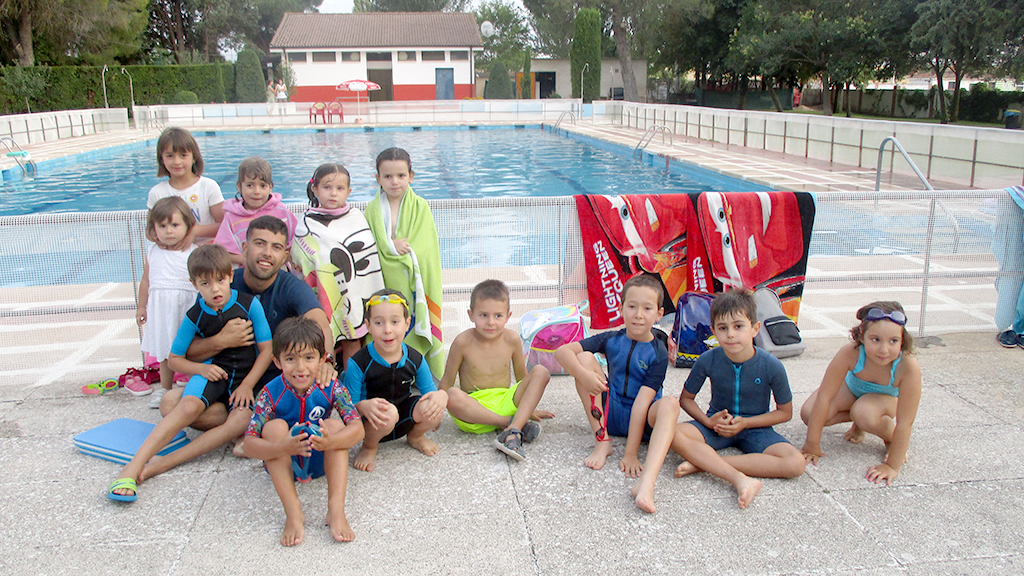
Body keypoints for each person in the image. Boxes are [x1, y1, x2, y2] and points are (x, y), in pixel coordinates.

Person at [108, 244, 274, 502]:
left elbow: (266, 351)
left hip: (244, 380)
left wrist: (247, 385)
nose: (215, 289)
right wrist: (202, 368)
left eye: (220, 280)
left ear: (231, 276)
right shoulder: (194, 315)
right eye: (205, 283)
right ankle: (133, 466)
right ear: (194, 284)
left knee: (241, 421)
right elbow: (175, 360)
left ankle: (164, 463)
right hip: (211, 374)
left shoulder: (249, 304)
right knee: (186, 407)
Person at [157, 216, 334, 447]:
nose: (267, 253)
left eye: (276, 247)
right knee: (169, 404)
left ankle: (245, 421)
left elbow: (320, 323)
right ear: (244, 248)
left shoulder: (291, 287)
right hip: (224, 376)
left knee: (272, 402)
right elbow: (188, 351)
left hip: (267, 380)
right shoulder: (220, 283)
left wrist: (326, 360)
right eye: (260, 243)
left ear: (285, 255)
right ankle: (243, 423)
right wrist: (221, 340)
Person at [555, 274, 680, 513]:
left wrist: (631, 453)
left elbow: (642, 403)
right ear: (621, 308)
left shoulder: (658, 353)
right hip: (610, 414)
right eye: (632, 306)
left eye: (647, 308)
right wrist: (584, 376)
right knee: (583, 358)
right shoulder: (612, 339)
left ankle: (647, 483)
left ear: (659, 314)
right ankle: (602, 442)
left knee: (671, 404)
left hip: (645, 423)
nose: (638, 314)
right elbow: (562, 352)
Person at [673, 289, 806, 509]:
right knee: (671, 432)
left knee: (795, 463)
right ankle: (713, 463)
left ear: (755, 328)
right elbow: (686, 399)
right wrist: (708, 422)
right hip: (716, 426)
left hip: (756, 429)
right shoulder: (707, 359)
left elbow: (785, 412)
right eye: (722, 328)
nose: (730, 335)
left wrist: (746, 422)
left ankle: (707, 463)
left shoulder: (771, 365)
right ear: (713, 331)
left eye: (738, 326)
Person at [244, 317, 364, 546]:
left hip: (320, 459)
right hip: (284, 462)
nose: (300, 368)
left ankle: (336, 510)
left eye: (309, 358)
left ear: (322, 359)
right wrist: (281, 447)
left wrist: (331, 442)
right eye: (290, 359)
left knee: (335, 428)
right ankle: (293, 512)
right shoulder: (269, 393)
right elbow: (249, 444)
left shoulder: (332, 387)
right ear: (277, 361)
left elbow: (358, 430)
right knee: (274, 427)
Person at [800, 301, 921, 485]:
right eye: (876, 339)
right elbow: (825, 396)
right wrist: (812, 443)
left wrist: (892, 466)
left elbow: (906, 422)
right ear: (862, 335)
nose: (884, 349)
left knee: (864, 412)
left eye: (893, 341)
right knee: (809, 414)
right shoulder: (851, 352)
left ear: (902, 340)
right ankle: (858, 420)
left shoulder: (907, 366)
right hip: (852, 389)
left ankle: (890, 437)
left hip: (885, 401)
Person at [441, 279, 553, 462]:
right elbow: (447, 381)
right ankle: (511, 424)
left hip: (505, 400)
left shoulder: (512, 339)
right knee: (452, 395)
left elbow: (522, 378)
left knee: (541, 372)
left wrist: (528, 408)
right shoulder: (462, 342)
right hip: (474, 410)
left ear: (508, 316)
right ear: (471, 314)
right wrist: (436, 412)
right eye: (483, 315)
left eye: (498, 316)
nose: (491, 322)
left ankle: (513, 427)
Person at [345, 289, 448, 471]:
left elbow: (430, 394)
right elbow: (347, 408)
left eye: (395, 322)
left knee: (435, 408)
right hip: (373, 423)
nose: (387, 330)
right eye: (379, 323)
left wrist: (442, 396)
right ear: (368, 326)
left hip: (404, 418)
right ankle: (369, 446)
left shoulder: (415, 359)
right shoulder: (358, 363)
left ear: (407, 324)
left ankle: (415, 436)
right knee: (389, 412)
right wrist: (363, 406)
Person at [291, 163, 384, 365]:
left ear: (348, 192)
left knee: (353, 338)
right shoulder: (306, 222)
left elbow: (367, 258)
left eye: (340, 188)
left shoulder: (356, 218)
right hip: (322, 294)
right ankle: (328, 378)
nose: (333, 193)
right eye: (327, 187)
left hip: (353, 295)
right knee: (323, 337)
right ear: (315, 189)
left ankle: (352, 381)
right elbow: (300, 258)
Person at [364, 147, 444, 381]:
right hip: (383, 281)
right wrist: (390, 246)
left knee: (407, 324)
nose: (394, 182)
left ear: (411, 176)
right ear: (378, 178)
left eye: (400, 175)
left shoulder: (420, 207)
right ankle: (383, 375)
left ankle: (413, 374)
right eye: (387, 176)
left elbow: (425, 249)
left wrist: (395, 249)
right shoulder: (372, 210)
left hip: (412, 284)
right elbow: (367, 247)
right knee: (384, 326)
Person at [135, 197, 198, 405]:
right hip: (161, 310)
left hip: (185, 308)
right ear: (153, 228)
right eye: (162, 226)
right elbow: (146, 281)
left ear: (187, 225)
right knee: (165, 350)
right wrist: (141, 306)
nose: (169, 231)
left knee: (190, 348)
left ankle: (195, 386)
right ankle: (165, 388)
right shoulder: (152, 252)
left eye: (175, 225)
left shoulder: (192, 252)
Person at [213, 156, 297, 267]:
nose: (257, 191)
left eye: (263, 186)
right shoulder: (231, 216)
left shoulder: (282, 212)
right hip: (245, 270)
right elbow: (221, 252)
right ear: (239, 186)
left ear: (270, 187)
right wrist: (243, 260)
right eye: (250, 185)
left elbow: (297, 244)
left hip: (277, 268)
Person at [146, 127, 224, 240]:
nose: (177, 162)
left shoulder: (208, 187)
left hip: (205, 249)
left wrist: (194, 232)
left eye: (183, 155)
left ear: (194, 157)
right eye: (170, 156)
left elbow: (224, 225)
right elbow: (150, 231)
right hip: (172, 250)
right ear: (162, 159)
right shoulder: (157, 193)